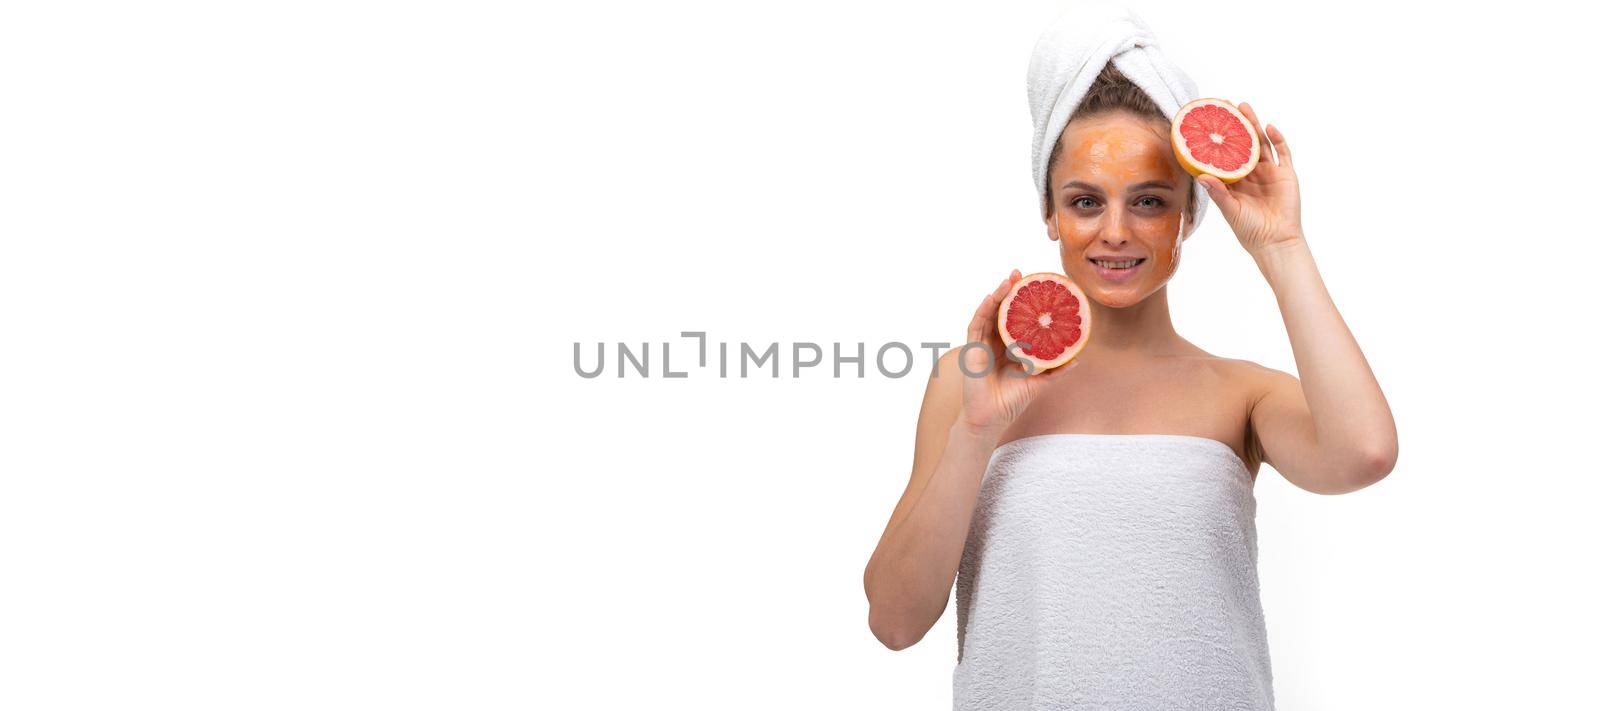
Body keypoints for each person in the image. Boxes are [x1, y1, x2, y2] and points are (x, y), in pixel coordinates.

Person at [860, 7, 1398, 709]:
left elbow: (1364, 452)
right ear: (1050, 213)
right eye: (1085, 201)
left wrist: (1281, 247)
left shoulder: (1240, 395)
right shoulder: (971, 382)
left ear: (1188, 214)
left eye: (1148, 200)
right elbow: (895, 621)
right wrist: (976, 433)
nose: (1116, 232)